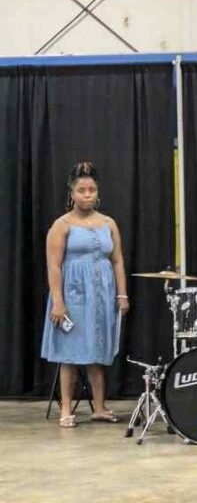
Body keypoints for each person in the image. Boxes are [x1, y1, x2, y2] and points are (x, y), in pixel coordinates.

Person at [41, 162, 130, 428]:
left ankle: (99, 407)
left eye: (92, 190)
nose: (87, 194)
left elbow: (117, 260)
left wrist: (122, 295)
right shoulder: (62, 225)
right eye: (82, 190)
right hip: (74, 293)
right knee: (70, 352)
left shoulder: (108, 223)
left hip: (102, 294)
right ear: (72, 193)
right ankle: (66, 409)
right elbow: (54, 265)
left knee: (96, 349)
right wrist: (58, 302)